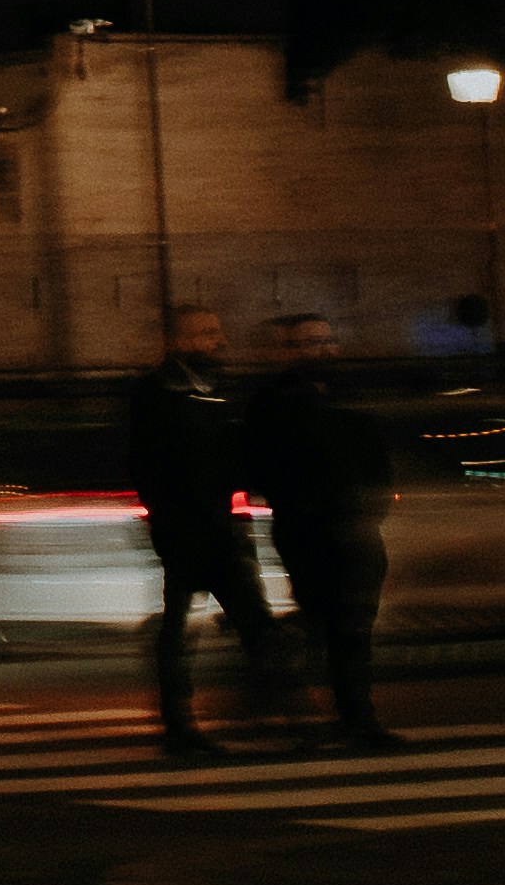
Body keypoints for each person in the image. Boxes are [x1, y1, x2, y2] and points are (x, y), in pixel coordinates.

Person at [122, 303, 285, 757]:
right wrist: (172, 521)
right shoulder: (156, 393)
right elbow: (151, 465)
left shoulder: (216, 389)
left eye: (218, 331)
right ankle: (182, 722)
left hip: (222, 526)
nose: (220, 340)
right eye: (208, 333)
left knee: (249, 624)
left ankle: (267, 710)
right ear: (179, 340)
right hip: (188, 531)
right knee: (185, 628)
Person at [251, 312, 411, 753]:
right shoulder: (273, 403)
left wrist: (374, 504)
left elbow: (374, 456)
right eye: (307, 344)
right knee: (325, 621)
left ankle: (357, 718)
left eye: (326, 341)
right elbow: (266, 468)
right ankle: (301, 703)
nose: (320, 351)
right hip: (309, 529)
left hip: (356, 528)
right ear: (284, 352)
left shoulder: (346, 395)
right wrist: (308, 503)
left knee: (354, 627)